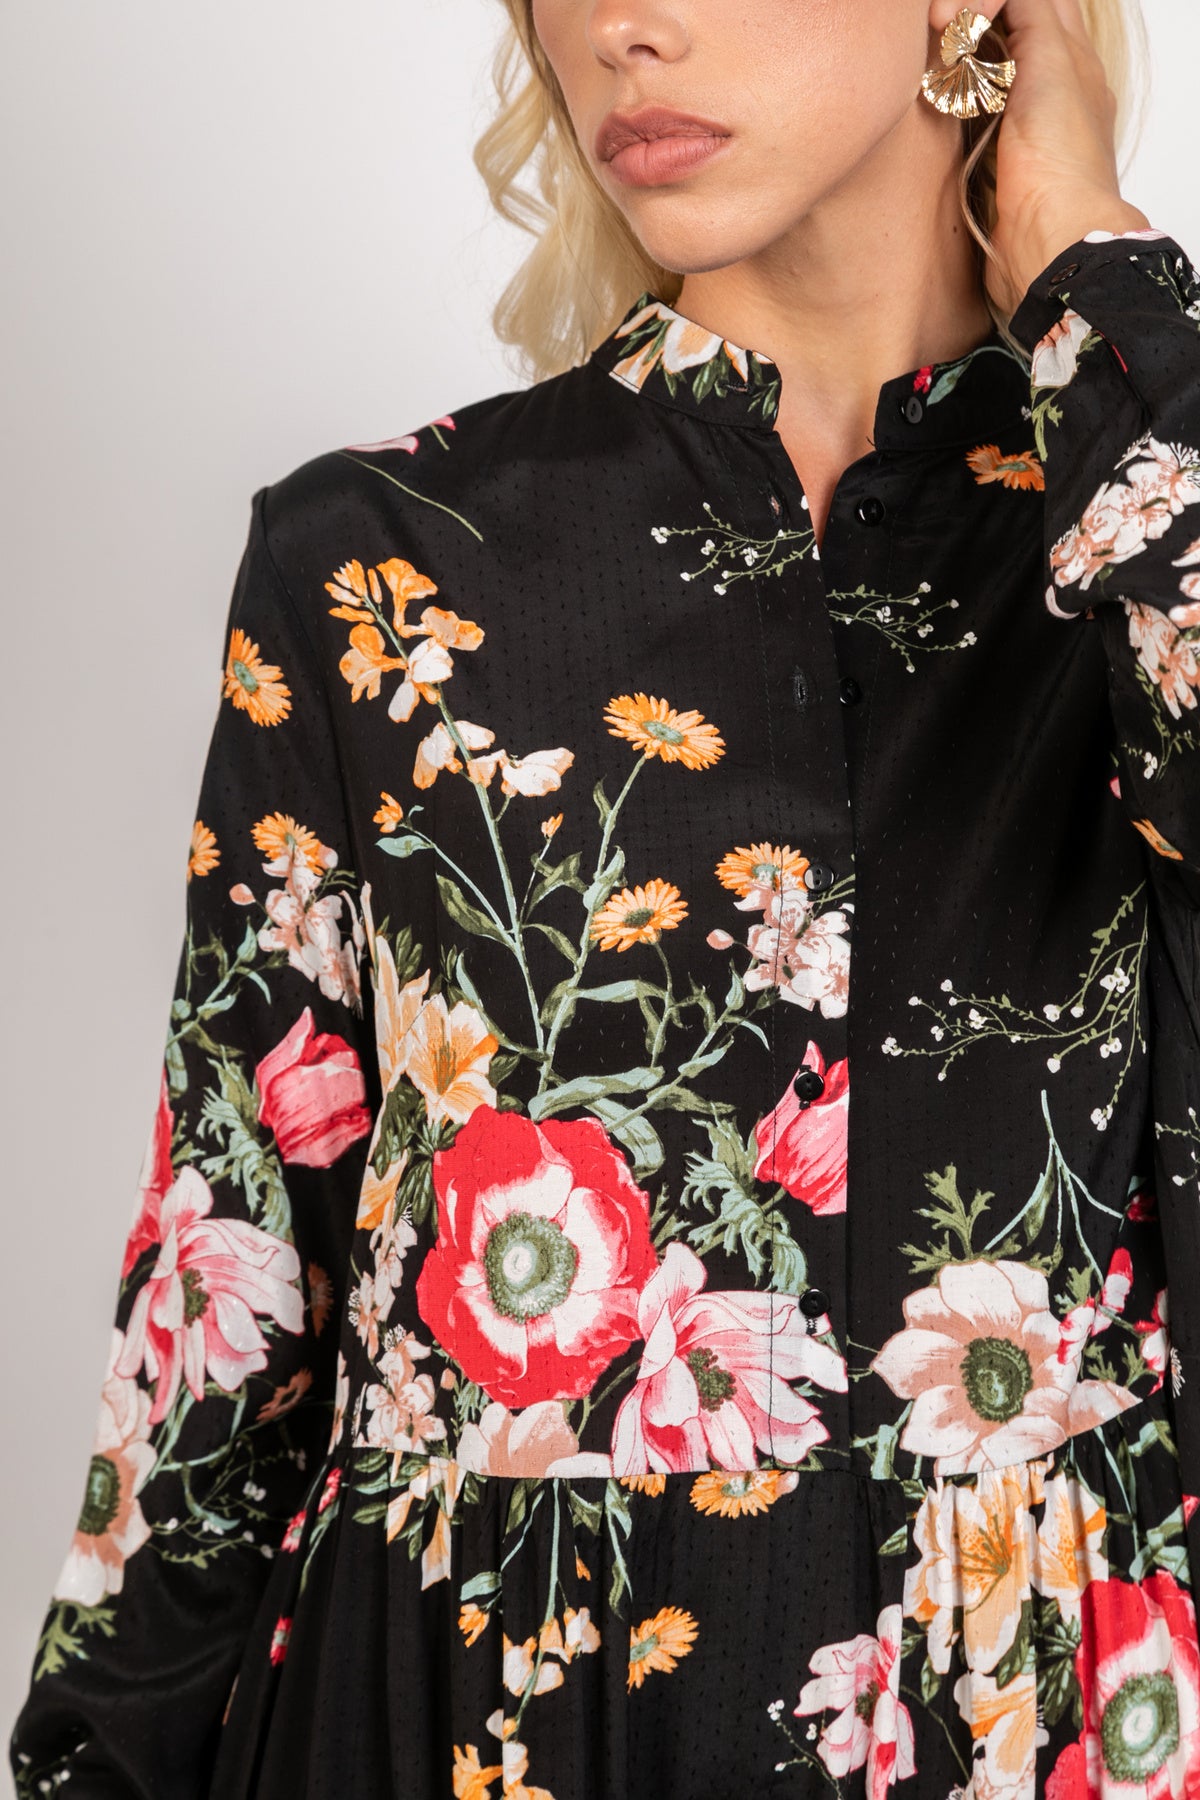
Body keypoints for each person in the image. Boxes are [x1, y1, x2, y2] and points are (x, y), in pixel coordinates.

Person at [10, 0, 1200, 1792]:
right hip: (473, 1723)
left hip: (1032, 1728)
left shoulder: (1129, 546)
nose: (623, 30)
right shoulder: (381, 567)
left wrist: (1089, 261)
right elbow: (226, 1293)